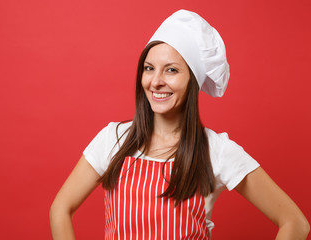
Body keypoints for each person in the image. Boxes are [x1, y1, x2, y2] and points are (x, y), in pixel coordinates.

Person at [49, 10, 309, 239]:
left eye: (171, 70)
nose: (156, 81)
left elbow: (295, 224)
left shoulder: (215, 150)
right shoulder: (113, 138)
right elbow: (60, 209)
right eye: (149, 68)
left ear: (192, 80)